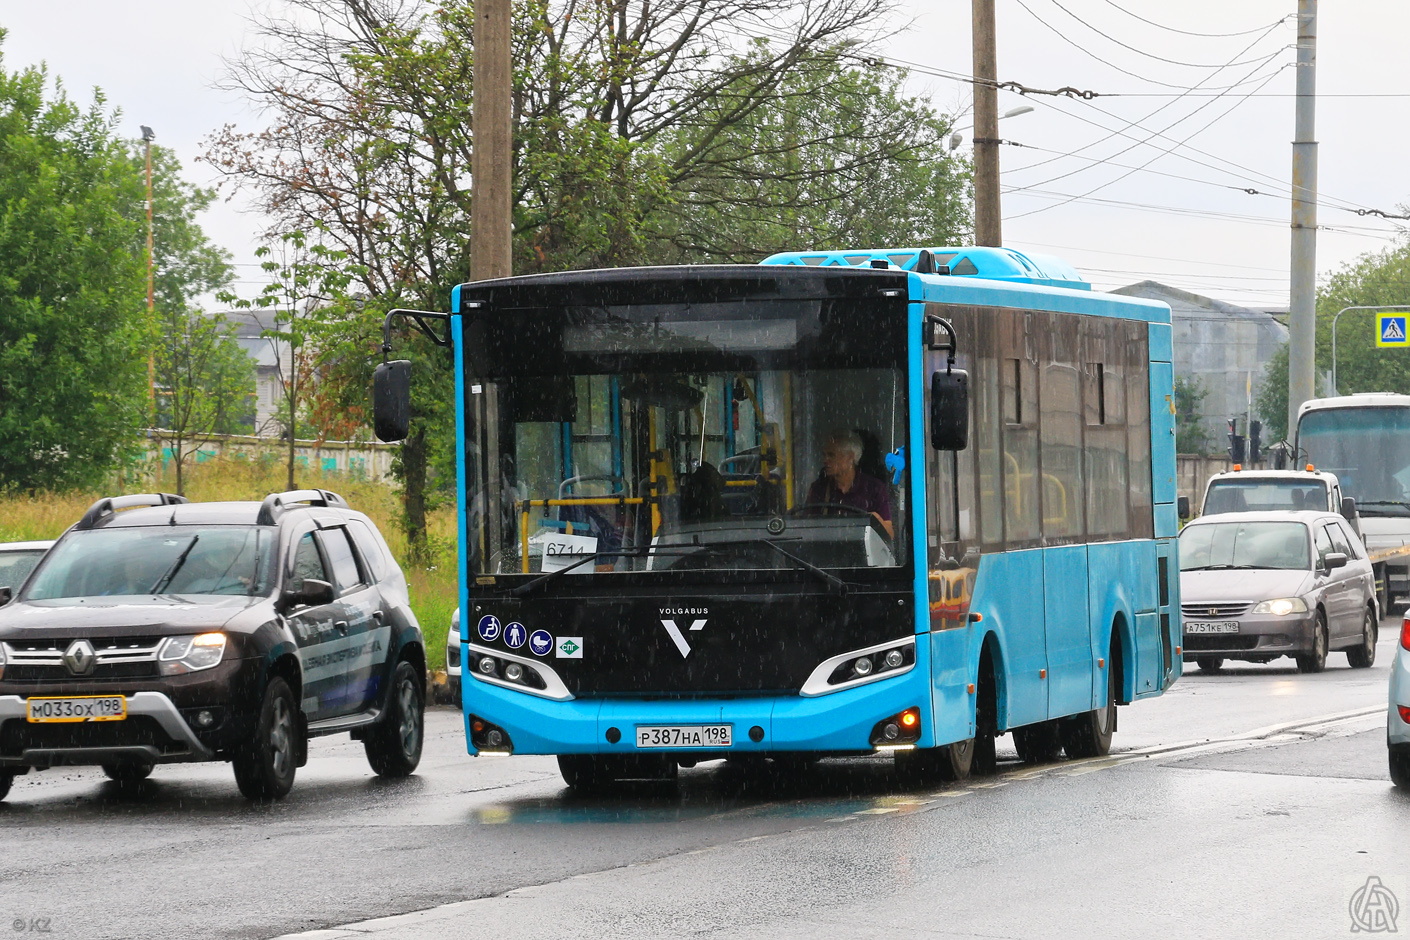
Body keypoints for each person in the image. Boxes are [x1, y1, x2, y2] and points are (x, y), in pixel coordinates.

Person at [806, 429, 894, 538]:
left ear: (850, 457)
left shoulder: (875, 488)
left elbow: (889, 534)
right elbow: (808, 529)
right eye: (824, 455)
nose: (825, 460)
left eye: (831, 455)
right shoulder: (819, 488)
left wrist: (874, 520)